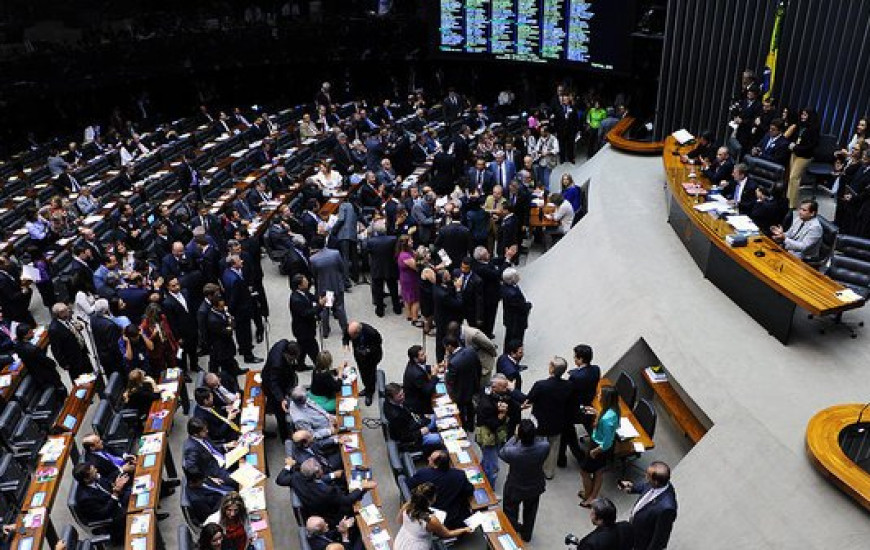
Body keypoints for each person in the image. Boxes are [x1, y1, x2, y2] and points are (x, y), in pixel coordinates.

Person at [276, 457, 376, 528]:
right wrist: (362, 487)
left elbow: (280, 480)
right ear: (317, 474)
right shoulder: (327, 492)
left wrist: (288, 466)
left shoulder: (296, 478)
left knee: (342, 478)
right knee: (362, 500)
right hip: (331, 516)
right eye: (320, 469)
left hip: (314, 509)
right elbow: (347, 500)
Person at [499, 419, 550, 542]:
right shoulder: (544, 446)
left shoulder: (512, 451)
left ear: (519, 435)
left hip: (515, 486)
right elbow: (541, 440)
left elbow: (502, 452)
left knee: (510, 511)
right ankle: (527, 535)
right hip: (534, 484)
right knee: (531, 512)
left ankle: (511, 533)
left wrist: (514, 437)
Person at [524, 356, 573, 480]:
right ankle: (549, 471)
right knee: (553, 447)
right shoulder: (568, 385)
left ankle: (534, 468)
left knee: (536, 445)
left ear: (551, 369)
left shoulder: (541, 385)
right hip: (557, 422)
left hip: (540, 422)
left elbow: (530, 399)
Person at [72, 462, 138, 543]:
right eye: (93, 471)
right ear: (87, 479)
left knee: (136, 490)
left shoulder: (95, 478)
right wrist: (116, 493)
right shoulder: (85, 499)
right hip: (114, 515)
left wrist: (115, 485)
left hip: (117, 501)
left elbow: (108, 485)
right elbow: (104, 513)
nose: (96, 470)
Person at [476, 374, 523, 487]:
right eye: (504, 387)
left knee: (488, 460)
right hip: (488, 437)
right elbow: (493, 425)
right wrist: (501, 415)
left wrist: (519, 407)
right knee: (493, 467)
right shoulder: (486, 404)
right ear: (494, 388)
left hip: (497, 435)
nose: (507, 389)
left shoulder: (498, 394)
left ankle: (481, 476)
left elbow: (512, 401)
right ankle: (489, 490)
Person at [394, 482, 472, 550]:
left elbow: (399, 521)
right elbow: (447, 534)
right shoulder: (430, 520)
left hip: (401, 542)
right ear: (431, 500)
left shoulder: (408, 505)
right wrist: (464, 529)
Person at [408, 451, 474, 529]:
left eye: (431, 459)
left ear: (436, 465)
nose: (428, 458)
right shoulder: (459, 475)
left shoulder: (423, 474)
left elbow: (409, 485)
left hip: (428, 514)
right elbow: (469, 491)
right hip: (450, 517)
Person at [619, 461, 678, 550]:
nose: (645, 476)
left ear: (656, 482)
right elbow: (645, 487)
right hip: (635, 530)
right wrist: (632, 488)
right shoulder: (660, 483)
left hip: (642, 540)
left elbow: (660, 537)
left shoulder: (667, 509)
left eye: (648, 476)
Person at [560, 344, 601, 468]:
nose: (574, 359)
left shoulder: (575, 377)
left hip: (576, 408)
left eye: (575, 357)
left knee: (566, 428)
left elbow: (569, 393)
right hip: (588, 405)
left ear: (581, 359)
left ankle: (572, 456)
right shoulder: (595, 369)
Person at [580, 385, 621, 507]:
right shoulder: (613, 410)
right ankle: (592, 495)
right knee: (598, 471)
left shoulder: (607, 419)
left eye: (600, 395)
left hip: (599, 447)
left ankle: (589, 496)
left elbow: (606, 442)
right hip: (601, 444)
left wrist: (595, 451)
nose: (598, 396)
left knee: (584, 471)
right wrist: (596, 413)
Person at [309, 236, 350, 340]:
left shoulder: (313, 259)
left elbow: (314, 274)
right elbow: (342, 267)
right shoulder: (335, 253)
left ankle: (326, 331)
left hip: (324, 287)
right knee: (340, 307)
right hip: (337, 284)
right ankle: (345, 329)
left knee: (325, 309)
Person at [383, 382, 442, 454]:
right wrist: (421, 432)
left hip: (416, 424)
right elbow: (404, 437)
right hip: (415, 438)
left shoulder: (391, 402)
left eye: (403, 393)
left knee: (439, 415)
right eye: (400, 396)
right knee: (441, 438)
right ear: (391, 398)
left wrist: (423, 417)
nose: (403, 397)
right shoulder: (396, 417)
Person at [182, 417, 239, 490]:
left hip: (224, 459)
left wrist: (226, 446)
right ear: (195, 434)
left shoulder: (203, 435)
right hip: (216, 471)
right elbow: (191, 469)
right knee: (240, 480)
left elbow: (211, 448)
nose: (207, 431)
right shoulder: (191, 449)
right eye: (204, 431)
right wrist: (208, 479)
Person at [14, 323, 66, 397]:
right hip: (47, 373)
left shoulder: (17, 346)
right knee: (60, 389)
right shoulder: (32, 349)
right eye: (30, 332)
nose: (33, 333)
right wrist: (53, 364)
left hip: (36, 374)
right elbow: (46, 361)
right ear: (24, 336)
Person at [48, 302, 94, 380]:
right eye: (65, 310)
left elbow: (74, 328)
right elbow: (56, 350)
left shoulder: (67, 317)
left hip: (82, 353)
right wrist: (65, 364)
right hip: (73, 361)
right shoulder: (54, 329)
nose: (68, 311)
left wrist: (79, 327)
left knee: (91, 376)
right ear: (59, 314)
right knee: (81, 381)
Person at [444, 336, 481, 430]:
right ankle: (471, 425)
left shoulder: (453, 362)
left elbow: (449, 380)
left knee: (460, 409)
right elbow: (479, 367)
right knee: (470, 406)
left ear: (449, 347)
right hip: (472, 385)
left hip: (459, 390)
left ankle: (463, 427)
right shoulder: (471, 351)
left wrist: (446, 364)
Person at [786, 108, 821, 208]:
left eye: (805, 115)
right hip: (795, 153)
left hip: (805, 156)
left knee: (794, 177)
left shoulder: (814, 129)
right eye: (802, 114)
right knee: (790, 178)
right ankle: (787, 200)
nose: (802, 117)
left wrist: (796, 147)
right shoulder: (799, 125)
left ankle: (792, 205)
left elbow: (812, 146)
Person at [366, 220, 401, 317]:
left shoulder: (371, 241)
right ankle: (397, 308)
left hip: (377, 268)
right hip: (390, 267)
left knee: (378, 290)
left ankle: (380, 310)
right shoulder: (393, 239)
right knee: (393, 288)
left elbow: (367, 253)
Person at [343, 321, 383, 406]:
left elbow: (378, 342)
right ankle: (367, 387)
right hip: (359, 355)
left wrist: (368, 350)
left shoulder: (370, 332)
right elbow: (345, 337)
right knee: (363, 372)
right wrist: (346, 345)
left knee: (370, 374)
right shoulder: (350, 329)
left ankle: (370, 392)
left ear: (358, 332)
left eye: (352, 335)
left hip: (372, 357)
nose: (351, 337)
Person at [402, 345, 440, 415]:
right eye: (422, 355)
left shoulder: (412, 363)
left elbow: (423, 367)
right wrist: (434, 375)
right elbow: (427, 391)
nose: (425, 355)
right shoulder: (417, 375)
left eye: (424, 353)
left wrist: (431, 368)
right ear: (415, 359)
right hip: (420, 404)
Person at [500, 267, 531, 348]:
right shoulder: (512, 294)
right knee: (515, 339)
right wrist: (528, 305)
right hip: (516, 321)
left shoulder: (506, 286)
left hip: (510, 318)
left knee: (509, 337)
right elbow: (521, 307)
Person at [396, 235, 422, 327]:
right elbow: (417, 267)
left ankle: (409, 315)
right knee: (415, 299)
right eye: (410, 241)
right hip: (410, 279)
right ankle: (415, 318)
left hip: (405, 278)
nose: (412, 242)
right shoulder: (405, 256)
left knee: (407, 297)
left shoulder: (404, 253)